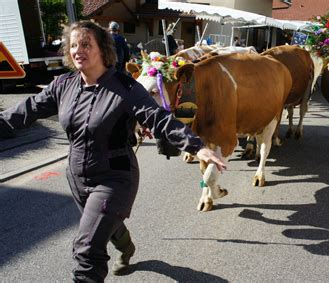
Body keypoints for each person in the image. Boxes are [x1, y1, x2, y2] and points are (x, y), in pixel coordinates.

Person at [0, 20, 226, 282]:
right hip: (77, 177)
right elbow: (25, 110)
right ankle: (127, 248)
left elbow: (157, 117)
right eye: (73, 45)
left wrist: (196, 146)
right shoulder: (63, 86)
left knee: (87, 247)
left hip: (115, 177)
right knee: (104, 224)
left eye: (86, 44)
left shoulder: (125, 87)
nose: (78, 50)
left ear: (102, 50)